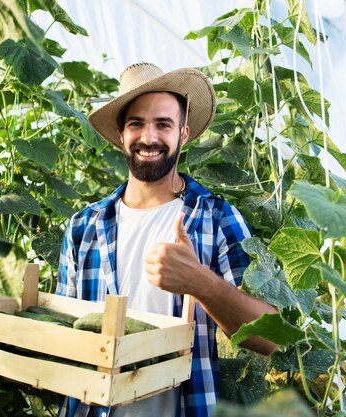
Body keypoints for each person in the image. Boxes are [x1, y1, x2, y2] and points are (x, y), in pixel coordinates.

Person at [56, 63, 277, 417]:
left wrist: (201, 283)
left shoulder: (218, 219)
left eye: (163, 124)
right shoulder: (83, 227)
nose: (149, 137)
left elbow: (269, 338)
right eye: (136, 124)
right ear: (121, 133)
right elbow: (64, 333)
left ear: (184, 134)